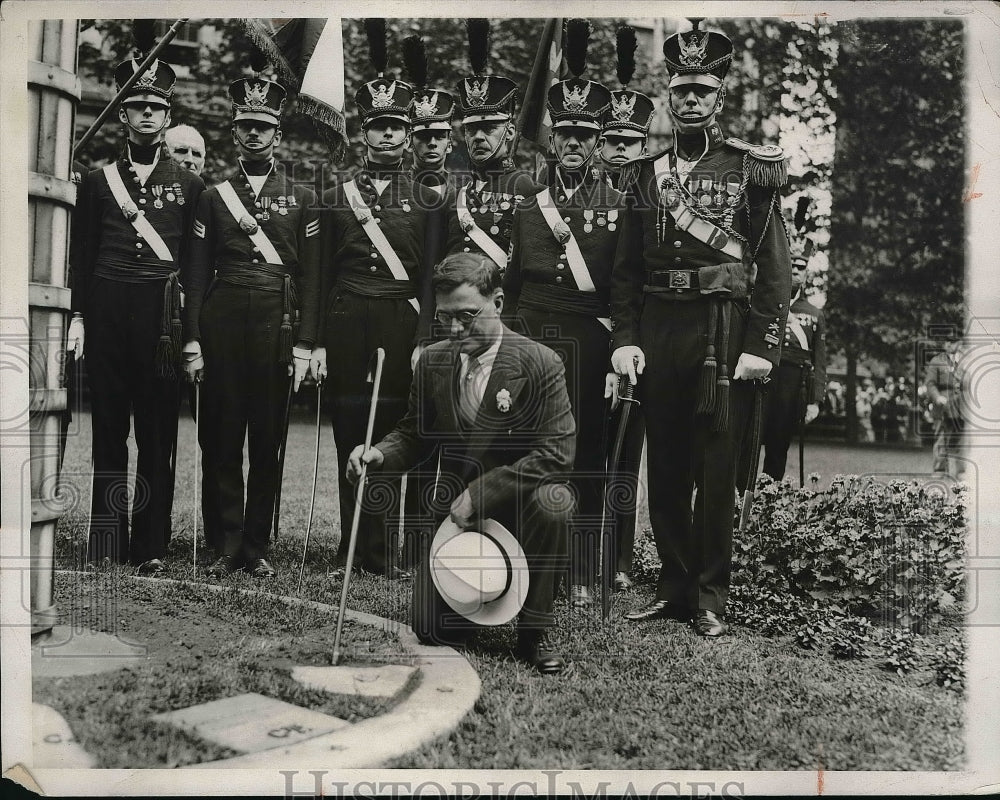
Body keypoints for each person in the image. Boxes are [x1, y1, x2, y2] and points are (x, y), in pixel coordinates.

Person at [610, 21, 792, 637]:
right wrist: (625, 338)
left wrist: (760, 345)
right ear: (668, 95)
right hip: (660, 329)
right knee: (664, 465)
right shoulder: (643, 174)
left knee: (716, 472)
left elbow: (772, 268)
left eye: (702, 90)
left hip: (723, 335)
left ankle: (711, 597)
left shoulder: (752, 170)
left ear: (719, 98)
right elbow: (627, 271)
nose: (691, 99)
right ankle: (673, 584)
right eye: (681, 89)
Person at [346, 253, 576, 674]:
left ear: (499, 304)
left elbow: (556, 454)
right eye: (444, 317)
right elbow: (413, 435)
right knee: (432, 630)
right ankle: (477, 596)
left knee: (555, 500)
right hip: (458, 516)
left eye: (467, 316)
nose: (454, 329)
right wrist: (379, 453)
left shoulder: (542, 362)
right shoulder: (434, 361)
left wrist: (481, 493)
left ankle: (534, 631)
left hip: (522, 508)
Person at [311, 25, 444, 578]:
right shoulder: (335, 193)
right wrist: (314, 342)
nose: (387, 137)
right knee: (349, 429)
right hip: (346, 318)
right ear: (363, 134)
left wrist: (424, 339)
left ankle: (383, 551)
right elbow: (318, 276)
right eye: (378, 127)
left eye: (396, 127)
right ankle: (350, 545)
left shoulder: (432, 195)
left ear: (409, 135)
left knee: (391, 431)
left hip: (399, 318)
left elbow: (434, 278)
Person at [68, 55, 205, 573]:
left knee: (156, 434)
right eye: (138, 106)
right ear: (123, 116)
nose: (147, 115)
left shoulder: (191, 188)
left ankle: (150, 544)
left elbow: (194, 269)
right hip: (106, 310)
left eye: (156, 107)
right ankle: (105, 542)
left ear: (167, 118)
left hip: (161, 320)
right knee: (108, 430)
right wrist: (78, 316)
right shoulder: (99, 183)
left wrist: (189, 334)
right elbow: (82, 255)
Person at [180, 68, 320, 578]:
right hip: (222, 321)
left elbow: (313, 278)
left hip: (276, 325)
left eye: (264, 126)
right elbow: (196, 275)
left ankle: (257, 543)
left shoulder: (303, 197)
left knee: (268, 438)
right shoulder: (213, 198)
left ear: (277, 134)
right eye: (247, 126)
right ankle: (226, 537)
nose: (255, 134)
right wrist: (192, 337)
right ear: (235, 133)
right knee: (222, 433)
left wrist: (307, 343)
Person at [504, 43, 622, 608]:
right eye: (564, 134)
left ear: (598, 143)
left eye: (584, 134)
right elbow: (510, 285)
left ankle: (577, 571)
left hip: (589, 342)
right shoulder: (528, 205)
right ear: (551, 141)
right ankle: (522, 555)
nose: (573, 143)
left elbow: (623, 290)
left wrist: (621, 349)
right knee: (526, 445)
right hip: (531, 337)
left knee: (587, 454)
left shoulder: (621, 206)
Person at [598, 24, 657, 592]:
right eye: (611, 140)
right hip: (591, 335)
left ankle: (618, 557)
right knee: (588, 447)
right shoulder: (579, 197)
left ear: (643, 146)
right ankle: (580, 546)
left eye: (630, 142)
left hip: (637, 338)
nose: (620, 150)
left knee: (627, 451)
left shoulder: (652, 199)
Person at [446, 20, 542, 270]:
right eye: (471, 129)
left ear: (509, 131)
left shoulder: (532, 192)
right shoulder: (456, 196)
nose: (478, 136)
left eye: (488, 128)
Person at [759, 244, 826, 482]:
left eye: (801, 268)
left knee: (778, 445)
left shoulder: (814, 314)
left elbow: (820, 362)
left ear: (807, 274)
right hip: (763, 377)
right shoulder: (765, 303)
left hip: (792, 385)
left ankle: (769, 499)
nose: (796, 271)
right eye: (792, 266)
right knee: (750, 441)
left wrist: (815, 401)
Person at [925, 339, 966, 479]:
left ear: (959, 342)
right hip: (943, 405)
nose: (949, 344)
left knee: (962, 439)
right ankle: (939, 469)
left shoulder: (967, 361)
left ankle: (962, 472)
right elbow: (930, 383)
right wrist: (937, 397)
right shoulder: (937, 361)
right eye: (947, 341)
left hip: (962, 406)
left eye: (953, 341)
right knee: (942, 438)